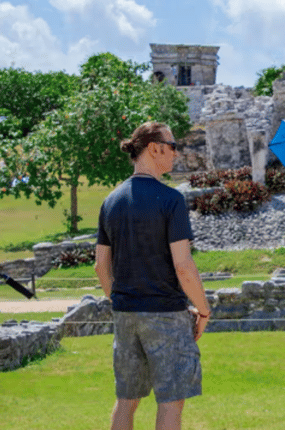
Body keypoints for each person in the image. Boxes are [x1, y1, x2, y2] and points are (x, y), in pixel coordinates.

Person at [95, 121, 211, 430]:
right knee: (171, 402)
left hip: (125, 314)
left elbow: (100, 266)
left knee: (126, 401)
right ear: (154, 148)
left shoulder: (110, 201)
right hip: (166, 314)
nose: (176, 153)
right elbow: (184, 266)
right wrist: (204, 309)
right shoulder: (171, 199)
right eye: (172, 146)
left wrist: (121, 300)